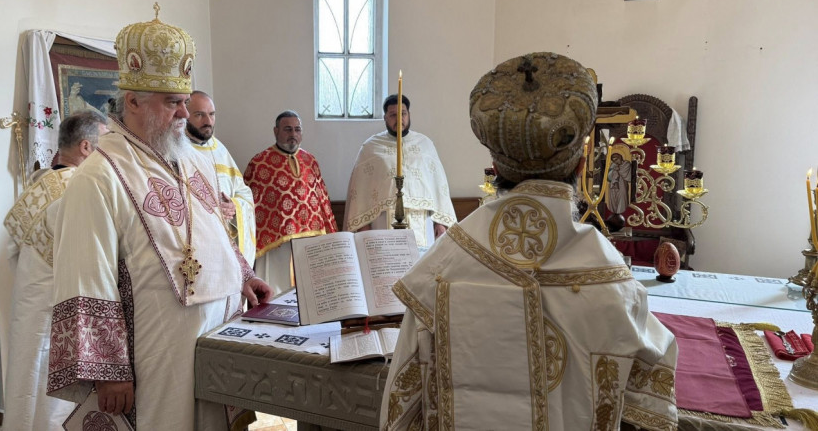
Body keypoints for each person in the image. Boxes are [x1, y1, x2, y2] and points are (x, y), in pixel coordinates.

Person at [381, 53, 678, 430]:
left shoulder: (440, 269)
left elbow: (402, 409)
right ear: (580, 166)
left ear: (496, 168)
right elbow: (653, 404)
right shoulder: (610, 280)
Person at [47, 10, 271, 430]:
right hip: (158, 352)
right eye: (173, 102)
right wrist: (109, 370)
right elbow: (85, 276)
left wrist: (243, 275)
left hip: (217, 336)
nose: (185, 113)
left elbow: (213, 232)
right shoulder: (99, 175)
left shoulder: (191, 160)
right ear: (133, 101)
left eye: (185, 101)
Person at [2, 110, 108, 430]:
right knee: (55, 400)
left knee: (26, 382)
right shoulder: (77, 189)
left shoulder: (40, 183)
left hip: (28, 304)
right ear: (86, 147)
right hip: (59, 310)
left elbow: (13, 250)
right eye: (105, 143)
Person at [343, 94, 456, 250]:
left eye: (403, 113)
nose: (399, 119)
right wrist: (363, 227)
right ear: (385, 118)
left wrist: (441, 223)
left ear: (409, 115)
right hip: (382, 224)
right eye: (393, 115)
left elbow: (439, 187)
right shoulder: (371, 147)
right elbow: (360, 190)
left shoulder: (425, 145)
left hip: (422, 223)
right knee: (387, 263)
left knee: (422, 263)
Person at [243, 111, 337, 295]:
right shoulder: (260, 162)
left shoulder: (310, 161)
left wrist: (330, 231)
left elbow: (322, 198)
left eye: (297, 129)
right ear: (276, 131)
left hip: (310, 238)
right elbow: (249, 203)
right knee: (276, 288)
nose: (293, 134)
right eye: (287, 129)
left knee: (309, 291)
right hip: (275, 242)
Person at [186, 90, 257, 265]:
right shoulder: (176, 151)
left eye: (211, 114)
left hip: (226, 248)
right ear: (184, 115)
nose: (208, 121)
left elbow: (244, 192)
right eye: (199, 115)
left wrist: (234, 206)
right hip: (195, 247)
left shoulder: (219, 150)